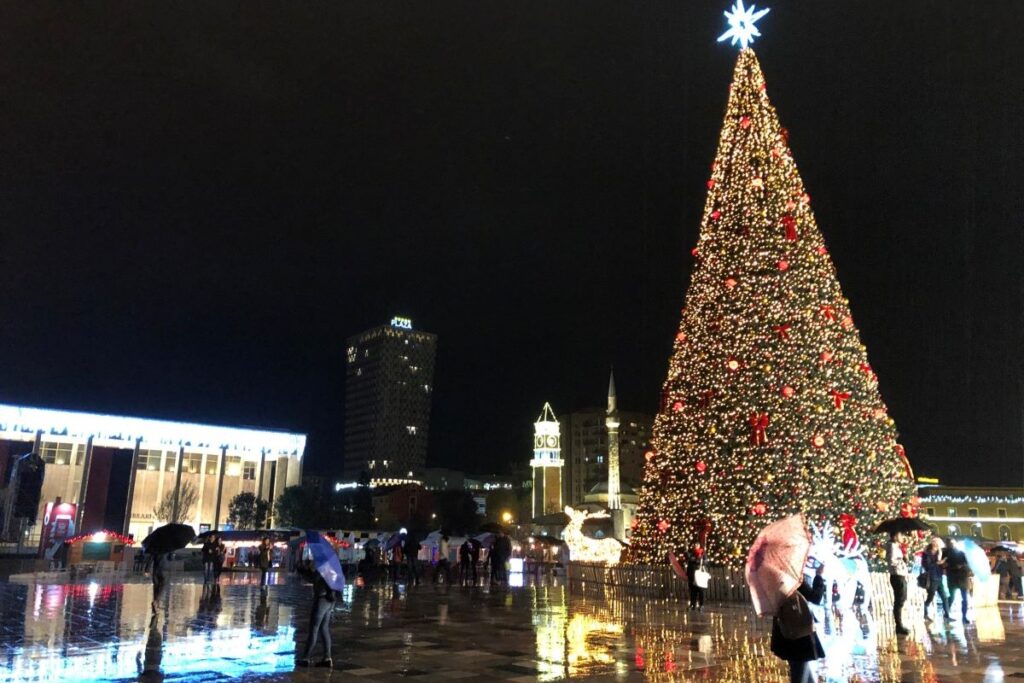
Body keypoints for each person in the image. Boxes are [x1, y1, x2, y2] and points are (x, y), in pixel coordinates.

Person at [771, 564, 826, 683]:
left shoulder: (772, 577)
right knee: (799, 673)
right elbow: (816, 597)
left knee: (801, 670)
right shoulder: (792, 577)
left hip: (784, 630)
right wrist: (819, 576)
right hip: (800, 631)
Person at [296, 558, 335, 669]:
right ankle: (327, 658)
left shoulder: (323, 567)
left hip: (322, 599)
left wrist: (302, 570)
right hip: (330, 599)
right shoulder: (331, 566)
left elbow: (313, 578)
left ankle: (305, 658)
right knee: (324, 628)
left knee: (314, 628)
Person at [921, 537, 951, 622]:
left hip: (939, 577)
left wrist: (943, 564)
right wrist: (938, 562)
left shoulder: (939, 552)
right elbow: (927, 565)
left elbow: (940, 565)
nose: (938, 546)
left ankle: (947, 616)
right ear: (933, 544)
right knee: (930, 597)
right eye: (937, 544)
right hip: (932, 578)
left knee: (944, 597)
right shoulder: (926, 553)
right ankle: (925, 614)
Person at [886, 531, 910, 635]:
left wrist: (904, 558)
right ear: (895, 536)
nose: (902, 537)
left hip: (900, 574)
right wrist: (901, 560)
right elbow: (891, 560)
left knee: (902, 599)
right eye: (901, 535)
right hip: (897, 575)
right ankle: (899, 626)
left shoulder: (896, 546)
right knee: (899, 601)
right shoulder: (892, 546)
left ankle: (899, 625)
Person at [946, 541, 972, 624]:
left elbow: (968, 565)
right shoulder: (949, 554)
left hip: (958, 578)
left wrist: (961, 567)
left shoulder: (958, 554)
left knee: (957, 598)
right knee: (957, 598)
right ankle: (962, 617)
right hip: (957, 578)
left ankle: (962, 616)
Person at [686, 543, 707, 612]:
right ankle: (693, 604)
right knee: (692, 591)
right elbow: (689, 559)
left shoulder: (703, 553)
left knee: (701, 591)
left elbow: (705, 562)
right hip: (692, 574)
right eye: (694, 545)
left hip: (699, 575)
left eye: (697, 545)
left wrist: (698, 560)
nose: (695, 547)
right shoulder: (691, 553)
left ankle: (701, 605)